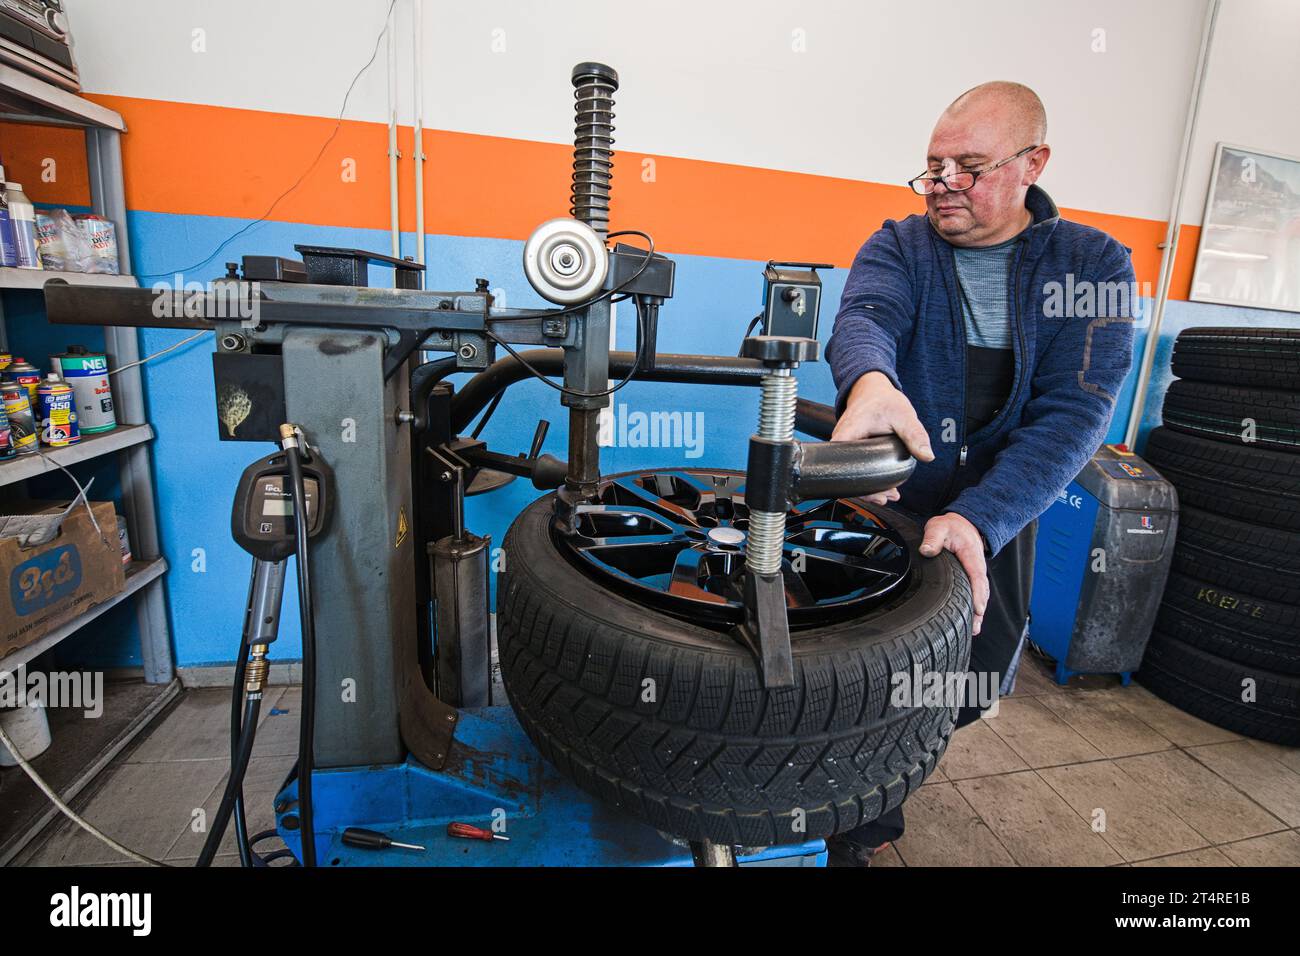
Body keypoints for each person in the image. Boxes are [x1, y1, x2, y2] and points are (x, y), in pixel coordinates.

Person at [824, 81, 1136, 866]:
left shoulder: (1091, 264)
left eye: (969, 166)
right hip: (885, 495)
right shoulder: (900, 245)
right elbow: (867, 318)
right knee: (844, 665)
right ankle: (836, 818)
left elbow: (1074, 412)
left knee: (966, 681)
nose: (943, 186)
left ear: (1034, 162)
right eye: (932, 166)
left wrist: (980, 518)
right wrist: (870, 385)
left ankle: (877, 794)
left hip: (991, 514)